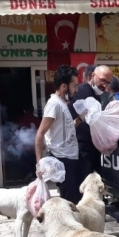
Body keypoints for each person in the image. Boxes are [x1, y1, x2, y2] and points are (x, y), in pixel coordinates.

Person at [34, 65, 85, 204]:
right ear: (64, 87)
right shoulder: (54, 105)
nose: (76, 89)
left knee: (73, 200)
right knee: (70, 202)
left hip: (71, 158)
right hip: (63, 159)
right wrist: (39, 164)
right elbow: (40, 134)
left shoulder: (62, 104)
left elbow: (68, 129)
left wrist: (81, 117)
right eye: (74, 85)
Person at [68, 64, 113, 173]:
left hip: (89, 148)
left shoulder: (95, 94)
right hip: (81, 149)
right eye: (102, 80)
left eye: (108, 82)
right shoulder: (84, 92)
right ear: (93, 76)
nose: (105, 85)